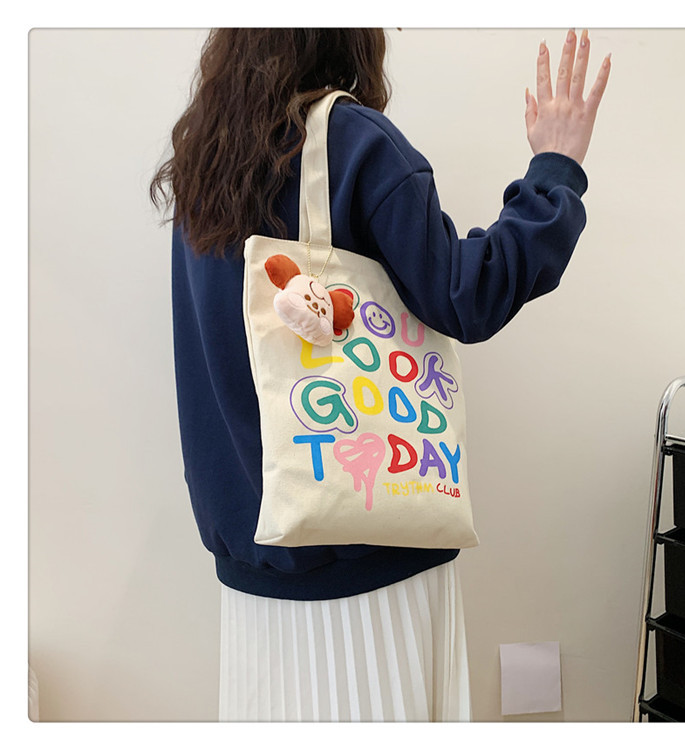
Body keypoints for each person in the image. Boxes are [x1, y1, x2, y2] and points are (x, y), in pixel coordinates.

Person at [150, 27, 609, 722]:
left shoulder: (206, 158)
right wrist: (556, 169)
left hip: (253, 578)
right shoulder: (356, 143)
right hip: (367, 568)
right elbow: (466, 295)